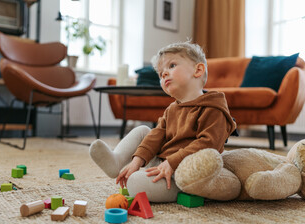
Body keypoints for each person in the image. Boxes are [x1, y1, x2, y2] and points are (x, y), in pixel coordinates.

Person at [89, 41, 236, 202]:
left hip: (182, 175)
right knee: (144, 131)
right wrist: (136, 161)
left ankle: (167, 188)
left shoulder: (213, 108)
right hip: (162, 162)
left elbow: (208, 144)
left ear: (198, 70)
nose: (164, 74)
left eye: (172, 65)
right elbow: (156, 136)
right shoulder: (172, 109)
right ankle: (116, 161)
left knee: (135, 183)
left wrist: (172, 163)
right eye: (160, 73)